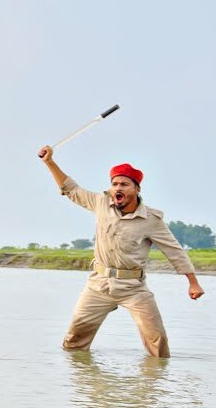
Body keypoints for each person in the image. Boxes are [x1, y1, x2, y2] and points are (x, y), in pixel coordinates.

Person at [37, 146, 203, 358]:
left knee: (157, 342)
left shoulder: (151, 220)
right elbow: (71, 189)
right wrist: (49, 162)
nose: (118, 188)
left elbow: (175, 251)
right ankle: (80, 382)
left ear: (136, 189)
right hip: (98, 285)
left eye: (124, 184)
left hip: (133, 288)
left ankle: (155, 380)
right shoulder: (100, 203)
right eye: (114, 184)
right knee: (73, 342)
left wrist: (193, 282)